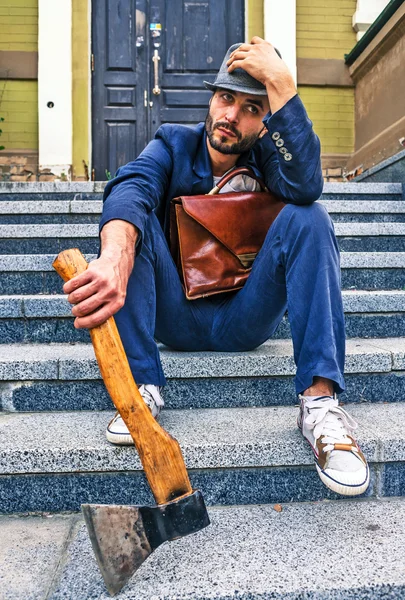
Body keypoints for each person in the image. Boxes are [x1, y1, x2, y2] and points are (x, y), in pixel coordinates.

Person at [64, 38, 369, 497]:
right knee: (134, 218)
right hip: (176, 314)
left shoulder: (272, 159)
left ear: (267, 120)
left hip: (246, 315)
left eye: (251, 108)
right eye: (226, 98)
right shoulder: (174, 142)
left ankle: (320, 405)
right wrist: (115, 255)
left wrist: (284, 84)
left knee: (310, 215)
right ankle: (141, 389)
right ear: (212, 99)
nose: (231, 115)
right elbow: (130, 186)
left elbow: (306, 185)